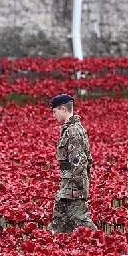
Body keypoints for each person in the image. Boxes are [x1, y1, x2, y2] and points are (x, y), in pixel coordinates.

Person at [49, 94, 97, 233]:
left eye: (54, 111)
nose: (54, 116)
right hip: (67, 184)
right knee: (60, 223)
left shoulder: (73, 131)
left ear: (63, 109)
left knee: (81, 221)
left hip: (73, 186)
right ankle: (61, 251)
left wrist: (77, 188)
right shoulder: (69, 130)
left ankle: (104, 243)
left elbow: (78, 162)